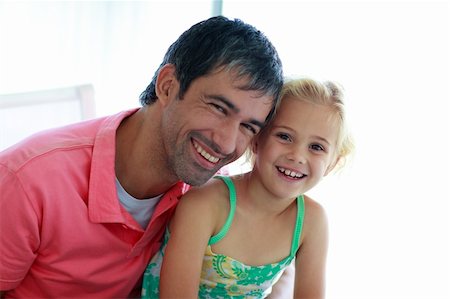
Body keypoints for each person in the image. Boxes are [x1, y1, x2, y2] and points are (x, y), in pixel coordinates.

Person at [0, 16, 283, 298]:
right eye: (218, 108)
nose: (226, 143)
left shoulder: (209, 193)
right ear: (167, 85)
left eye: (248, 127)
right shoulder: (26, 181)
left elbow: (277, 264)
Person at [142, 77, 355, 298]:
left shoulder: (312, 222)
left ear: (333, 163)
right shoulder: (205, 203)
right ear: (255, 140)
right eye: (284, 136)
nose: (297, 156)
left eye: (316, 147)